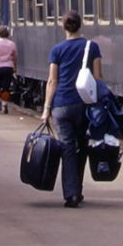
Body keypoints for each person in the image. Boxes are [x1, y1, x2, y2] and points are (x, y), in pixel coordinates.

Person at [41, 11, 103, 208]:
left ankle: (71, 194)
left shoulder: (56, 50)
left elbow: (52, 81)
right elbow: (98, 77)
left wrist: (46, 109)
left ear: (63, 26)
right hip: (84, 105)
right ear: (80, 25)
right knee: (82, 146)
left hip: (61, 104)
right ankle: (78, 189)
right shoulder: (91, 47)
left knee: (67, 148)